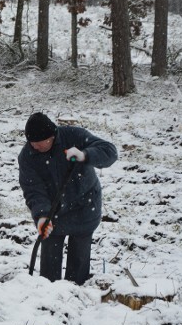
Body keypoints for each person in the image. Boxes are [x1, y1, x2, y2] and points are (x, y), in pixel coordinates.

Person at [18, 112, 117, 285]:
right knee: (49, 270)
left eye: (38, 143)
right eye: (31, 143)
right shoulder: (27, 155)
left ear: (51, 136)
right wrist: (41, 216)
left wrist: (85, 155)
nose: (34, 147)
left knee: (78, 263)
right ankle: (48, 298)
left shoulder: (73, 136)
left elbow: (109, 152)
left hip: (85, 207)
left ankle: (74, 296)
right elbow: (33, 190)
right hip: (53, 214)